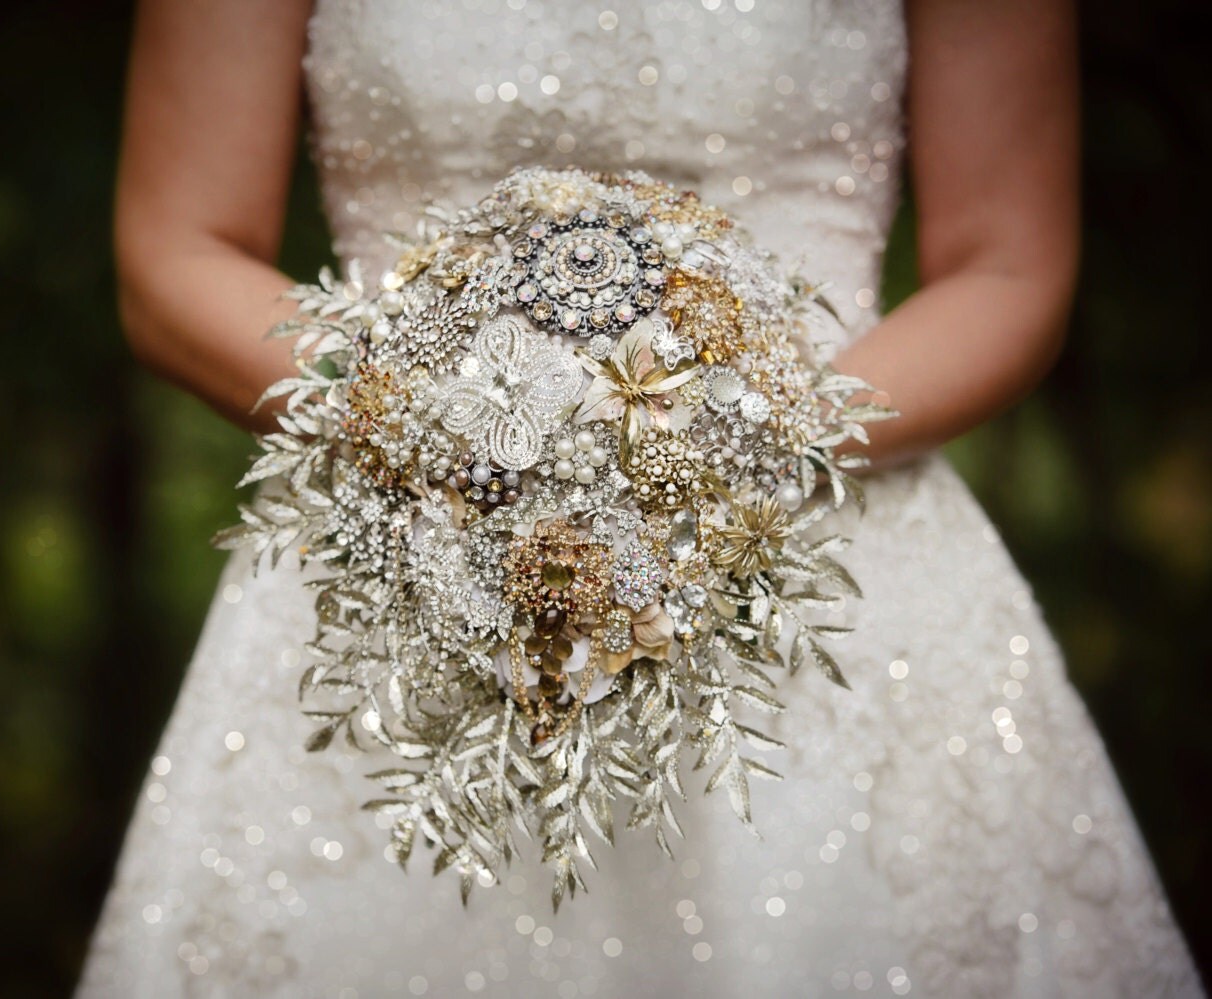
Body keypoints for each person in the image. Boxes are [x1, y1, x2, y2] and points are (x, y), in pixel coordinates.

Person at [79, 1, 1203, 995]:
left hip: (826, 550)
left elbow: (1007, 263)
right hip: (407, 553)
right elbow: (175, 249)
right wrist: (425, 421)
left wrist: (743, 433)